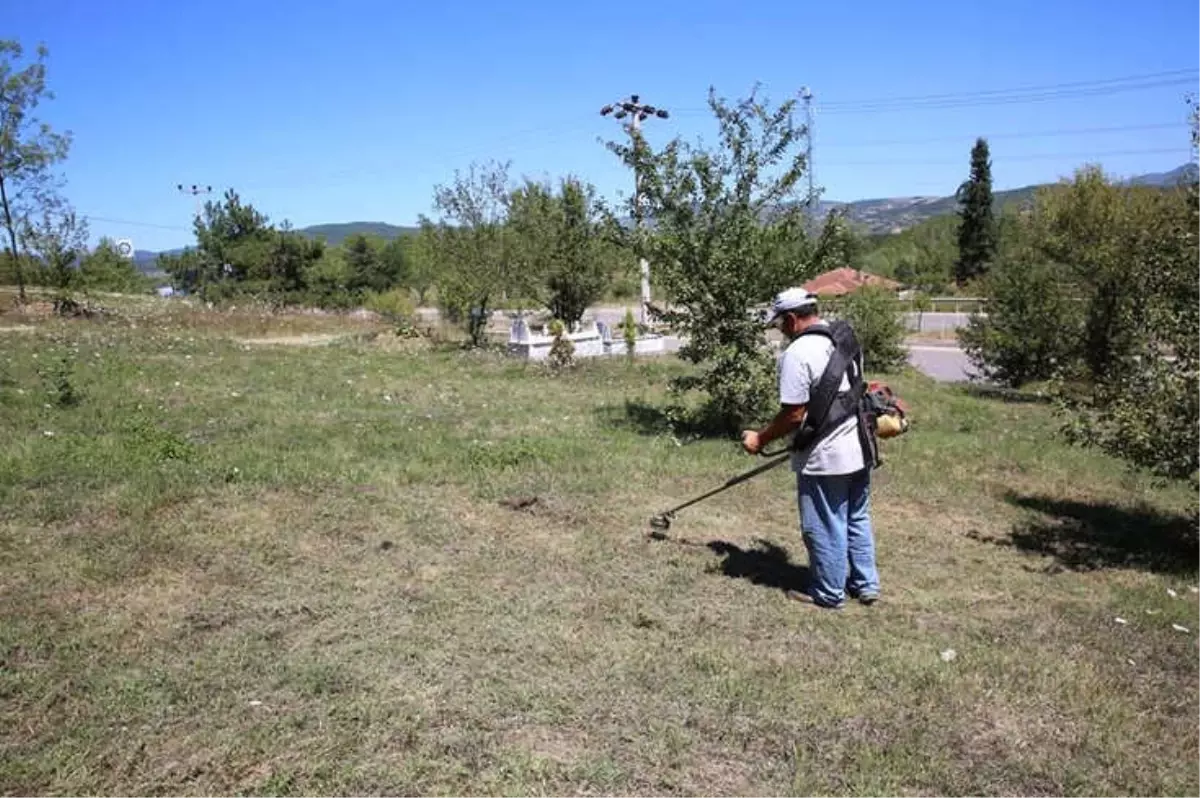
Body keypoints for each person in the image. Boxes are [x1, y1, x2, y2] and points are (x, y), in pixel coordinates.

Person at [741, 287, 880, 609]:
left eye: (779, 325)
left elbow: (794, 414)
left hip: (827, 456)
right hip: (861, 446)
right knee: (856, 517)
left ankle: (829, 594)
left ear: (791, 319)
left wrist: (759, 439)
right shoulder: (842, 337)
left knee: (824, 523)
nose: (780, 332)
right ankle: (866, 585)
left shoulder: (798, 353)